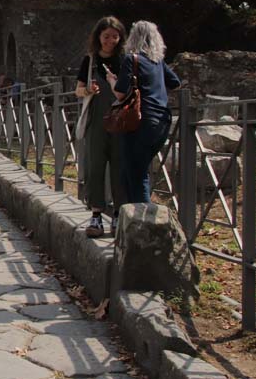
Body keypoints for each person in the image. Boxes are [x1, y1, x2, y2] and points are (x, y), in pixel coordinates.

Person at [115, 21, 182, 207]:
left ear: (133, 38)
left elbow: (120, 93)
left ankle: (143, 218)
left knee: (136, 173)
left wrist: (113, 80)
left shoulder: (131, 59)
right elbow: (176, 83)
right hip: (162, 122)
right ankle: (130, 215)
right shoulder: (158, 62)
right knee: (135, 170)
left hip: (140, 122)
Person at [75, 16, 127, 238]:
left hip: (121, 122)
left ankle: (118, 214)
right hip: (96, 121)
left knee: (119, 168)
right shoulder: (90, 61)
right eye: (106, 36)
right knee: (95, 168)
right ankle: (96, 215)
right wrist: (88, 90)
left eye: (115, 36)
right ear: (98, 36)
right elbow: (77, 90)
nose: (110, 41)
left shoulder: (125, 60)